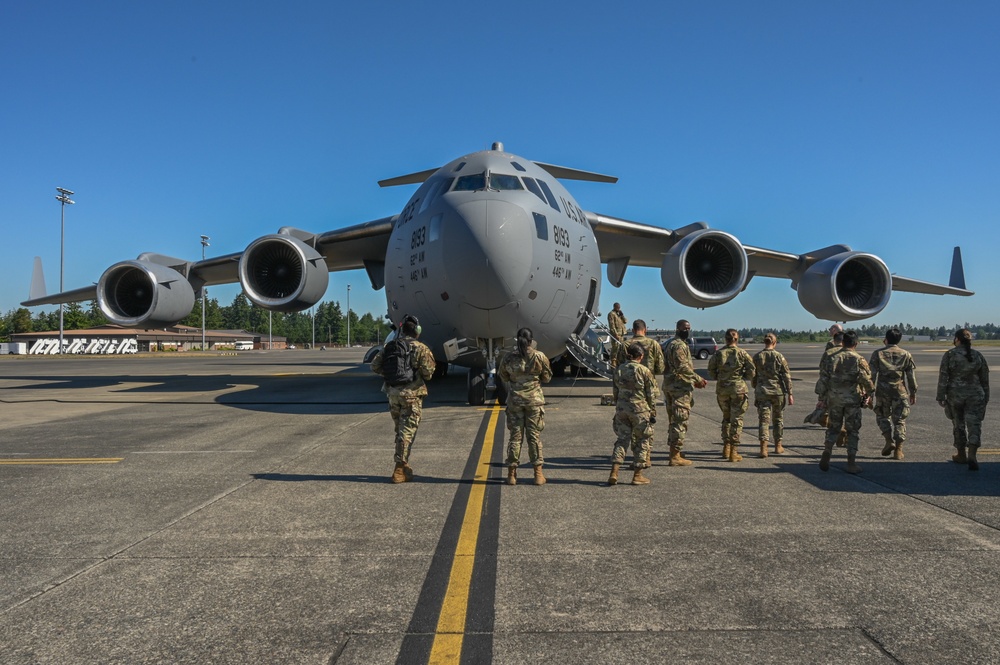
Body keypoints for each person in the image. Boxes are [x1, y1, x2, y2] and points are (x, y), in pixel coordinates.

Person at [370, 315, 436, 483]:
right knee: (407, 432)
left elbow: (374, 366)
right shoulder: (421, 348)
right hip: (411, 396)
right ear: (417, 331)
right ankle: (399, 468)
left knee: (400, 430)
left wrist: (392, 376)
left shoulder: (390, 346)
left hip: (392, 395)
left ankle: (404, 464)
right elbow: (428, 374)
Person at [498, 327, 553, 485]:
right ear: (531, 340)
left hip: (515, 401)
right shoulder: (539, 356)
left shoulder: (509, 358)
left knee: (515, 438)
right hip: (534, 402)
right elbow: (547, 377)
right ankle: (537, 475)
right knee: (534, 437)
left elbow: (503, 376)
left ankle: (511, 475)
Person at [814, 330, 874, 474]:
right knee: (852, 430)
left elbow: (823, 378)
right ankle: (851, 463)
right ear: (856, 343)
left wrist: (821, 398)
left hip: (834, 398)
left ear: (843, 342)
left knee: (834, 427)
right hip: (852, 399)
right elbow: (865, 380)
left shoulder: (830, 357)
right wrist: (870, 394)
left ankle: (827, 450)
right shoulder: (858, 359)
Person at [936, 329, 990, 471]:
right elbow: (985, 379)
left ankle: (961, 454)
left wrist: (941, 396)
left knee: (958, 424)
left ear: (957, 339)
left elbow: (943, 377)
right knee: (974, 424)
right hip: (975, 394)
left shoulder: (950, 355)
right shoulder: (978, 356)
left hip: (956, 395)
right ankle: (972, 454)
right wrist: (986, 397)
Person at [609, 342, 657, 486]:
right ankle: (637, 475)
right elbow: (651, 394)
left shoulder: (619, 369)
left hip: (622, 409)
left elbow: (615, 390)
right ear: (641, 356)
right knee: (642, 441)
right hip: (639, 410)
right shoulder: (644, 370)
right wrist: (652, 410)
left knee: (622, 439)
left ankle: (614, 472)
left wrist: (618, 406)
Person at [662, 319, 709, 466]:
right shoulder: (678, 346)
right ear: (678, 329)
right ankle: (675, 456)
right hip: (679, 389)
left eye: (689, 328)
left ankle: (675, 451)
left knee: (674, 421)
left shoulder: (673, 344)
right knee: (680, 421)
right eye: (685, 328)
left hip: (673, 386)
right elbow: (682, 367)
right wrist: (697, 378)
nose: (687, 330)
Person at [708, 329, 756, 462]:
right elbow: (752, 371)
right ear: (737, 339)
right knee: (737, 420)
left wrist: (720, 377)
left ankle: (726, 448)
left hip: (723, 390)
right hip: (738, 389)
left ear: (725, 339)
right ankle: (733, 452)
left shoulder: (718, 354)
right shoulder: (742, 353)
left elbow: (711, 370)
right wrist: (741, 378)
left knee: (726, 418)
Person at [869, 328, 917, 460]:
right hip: (899, 390)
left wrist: (869, 393)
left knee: (882, 416)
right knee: (900, 420)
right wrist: (912, 392)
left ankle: (889, 440)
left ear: (886, 339)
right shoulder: (906, 354)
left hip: (883, 390)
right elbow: (911, 376)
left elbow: (872, 376)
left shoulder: (877, 354)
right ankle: (899, 450)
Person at [752, 332, 794, 458]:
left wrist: (756, 386)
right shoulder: (779, 356)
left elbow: (753, 375)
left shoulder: (757, 357)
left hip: (763, 391)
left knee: (764, 420)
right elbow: (786, 376)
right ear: (774, 343)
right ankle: (777, 446)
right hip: (777, 392)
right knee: (778, 419)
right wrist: (790, 393)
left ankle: (763, 448)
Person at [607, 303, 628, 368]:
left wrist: (622, 315)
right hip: (616, 334)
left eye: (619, 307)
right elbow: (612, 325)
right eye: (617, 307)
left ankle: (619, 362)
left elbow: (625, 321)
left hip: (621, 334)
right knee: (615, 348)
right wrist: (615, 334)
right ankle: (613, 362)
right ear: (614, 307)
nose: (618, 309)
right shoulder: (611, 314)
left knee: (620, 349)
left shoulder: (619, 315)